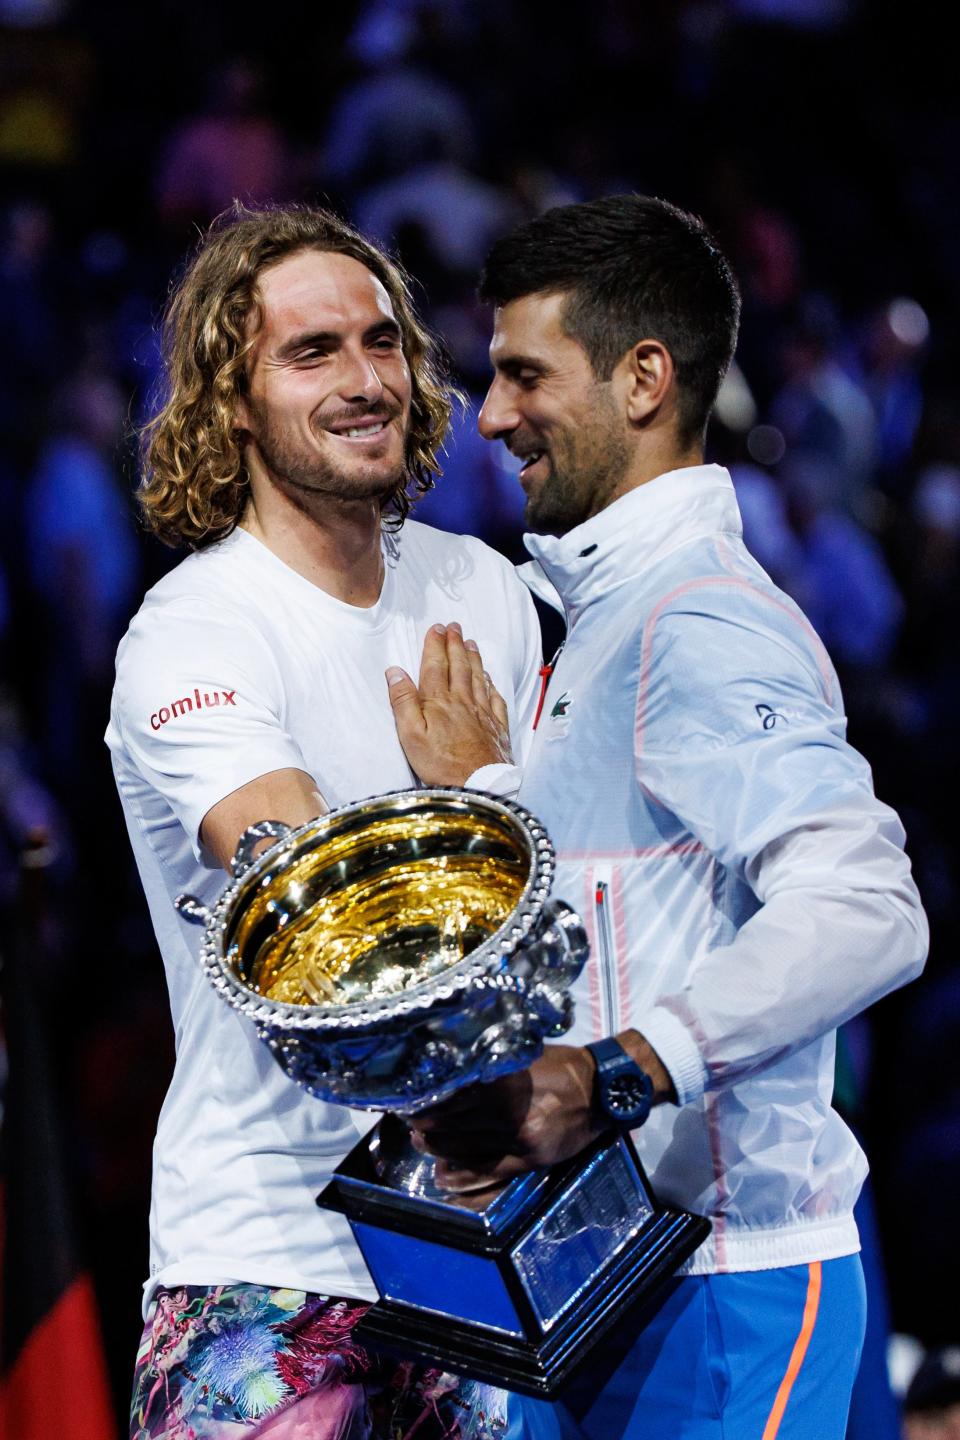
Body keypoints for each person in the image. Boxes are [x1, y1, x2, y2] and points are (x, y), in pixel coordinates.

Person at [388, 195, 929, 1440]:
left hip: (723, 1297)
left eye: (526, 375)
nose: (492, 415)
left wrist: (616, 1075)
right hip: (593, 1284)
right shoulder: (603, 620)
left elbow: (866, 910)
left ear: (643, 379)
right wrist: (485, 801)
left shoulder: (699, 620)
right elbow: (619, 916)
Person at [105, 203, 543, 1439]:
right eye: (313, 353)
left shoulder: (484, 590)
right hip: (268, 1252)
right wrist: (472, 804)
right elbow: (328, 933)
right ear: (229, 399)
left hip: (479, 1252)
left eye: (382, 342)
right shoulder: (197, 630)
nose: (365, 382)